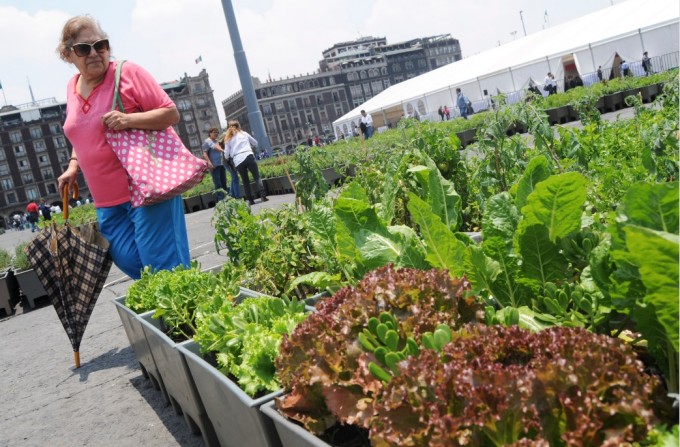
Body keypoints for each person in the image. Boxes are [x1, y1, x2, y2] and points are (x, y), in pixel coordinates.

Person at [56, 15, 191, 280]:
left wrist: (128, 120)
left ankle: (186, 302)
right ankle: (176, 293)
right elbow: (82, 133)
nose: (94, 53)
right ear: (68, 54)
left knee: (165, 267)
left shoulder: (128, 73)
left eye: (100, 45)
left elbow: (170, 114)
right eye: (84, 48)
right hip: (106, 200)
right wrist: (73, 165)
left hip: (146, 188)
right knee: (129, 259)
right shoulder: (72, 87)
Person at [222, 120, 268, 206]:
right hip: (249, 155)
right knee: (257, 177)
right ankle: (263, 195)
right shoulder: (244, 134)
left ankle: (250, 200)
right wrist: (250, 146)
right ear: (238, 126)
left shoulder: (228, 138)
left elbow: (226, 153)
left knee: (245, 180)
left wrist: (228, 158)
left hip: (238, 160)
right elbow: (255, 143)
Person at [202, 127, 228, 201]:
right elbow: (205, 154)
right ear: (210, 133)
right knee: (217, 183)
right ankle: (221, 199)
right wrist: (209, 163)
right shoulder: (207, 141)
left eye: (217, 132)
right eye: (214, 132)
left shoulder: (217, 141)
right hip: (214, 165)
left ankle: (226, 198)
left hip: (221, 164)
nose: (216, 134)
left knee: (224, 181)